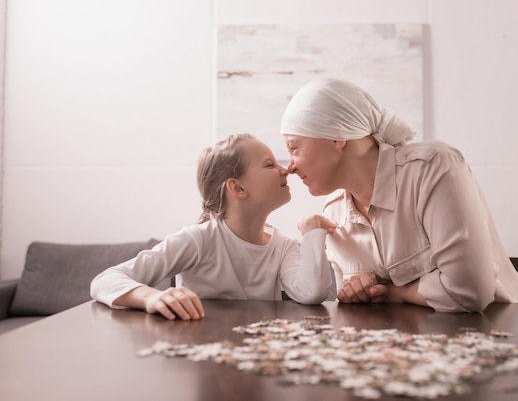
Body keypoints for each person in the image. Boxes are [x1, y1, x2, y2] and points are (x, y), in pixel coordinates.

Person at [280, 78, 518, 313]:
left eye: (294, 148)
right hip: (407, 351)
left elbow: (470, 293)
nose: (289, 166)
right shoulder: (334, 213)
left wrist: (395, 292)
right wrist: (356, 295)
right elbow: (357, 313)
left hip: (500, 336)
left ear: (337, 137)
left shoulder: (433, 168)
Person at [90, 133, 336, 320]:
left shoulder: (283, 247)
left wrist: (313, 231)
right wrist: (152, 296)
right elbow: (105, 280)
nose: (286, 170)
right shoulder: (199, 240)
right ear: (238, 188)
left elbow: (311, 293)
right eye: (270, 165)